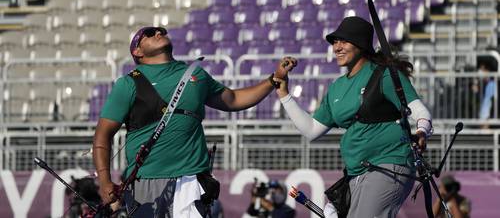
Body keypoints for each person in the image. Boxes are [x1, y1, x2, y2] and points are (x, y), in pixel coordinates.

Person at [92, 26, 295, 217]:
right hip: (145, 181)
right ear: (137, 52)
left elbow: (233, 99)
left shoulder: (195, 74)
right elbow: (102, 136)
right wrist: (104, 181)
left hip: (191, 178)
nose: (159, 32)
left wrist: (273, 80)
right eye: (150, 33)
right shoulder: (128, 83)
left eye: (161, 31)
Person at [271, 16, 434, 218]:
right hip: (355, 173)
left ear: (361, 44)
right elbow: (311, 130)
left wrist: (421, 132)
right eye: (334, 42)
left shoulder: (383, 75)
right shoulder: (337, 87)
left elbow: (420, 112)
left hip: (389, 164)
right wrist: (284, 93)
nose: (337, 47)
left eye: (344, 41)